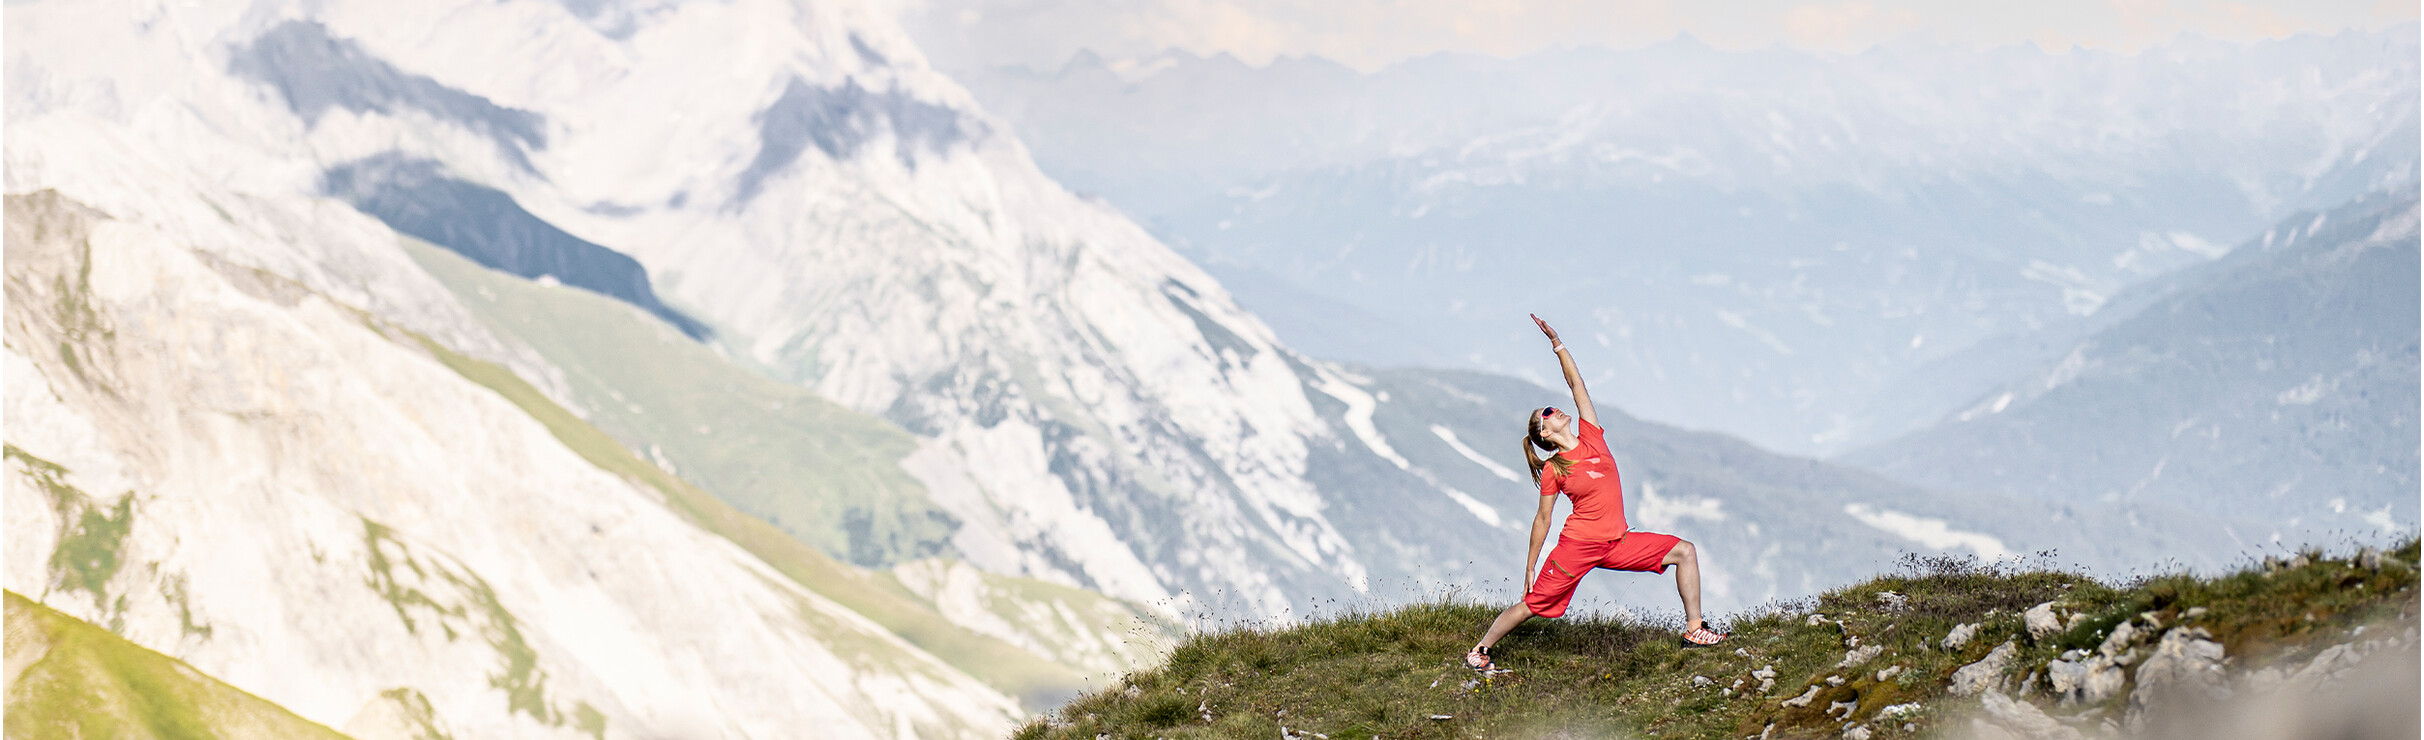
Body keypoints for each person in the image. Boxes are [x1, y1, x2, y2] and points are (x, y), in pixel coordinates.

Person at [1465, 314, 1726, 671]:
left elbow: (1576, 384)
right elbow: (1543, 518)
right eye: (1548, 412)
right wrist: (1530, 565)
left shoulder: (1591, 434)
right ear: (1545, 431)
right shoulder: (1556, 469)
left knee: (1685, 551)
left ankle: (1694, 630)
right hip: (1577, 546)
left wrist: (1557, 344)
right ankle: (1479, 650)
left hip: (1617, 542)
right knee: (1532, 605)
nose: (1556, 409)